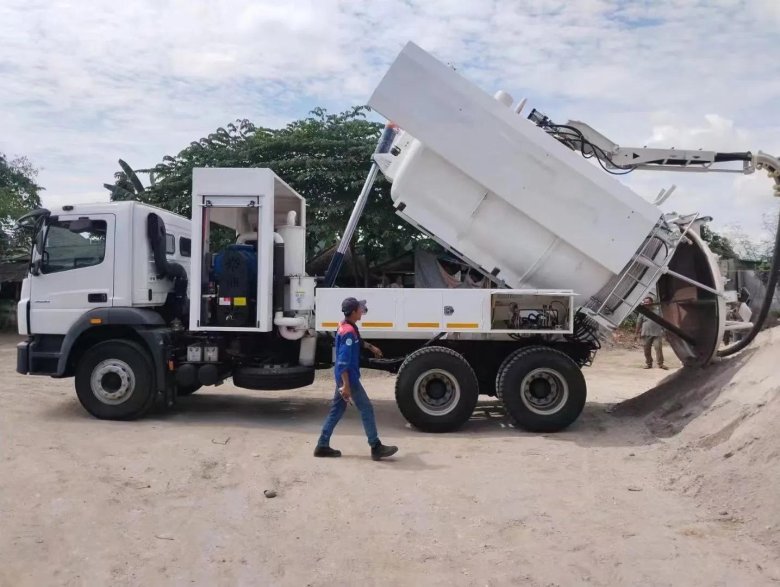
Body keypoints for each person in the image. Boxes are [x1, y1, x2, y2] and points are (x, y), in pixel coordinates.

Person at [314, 297, 398, 461]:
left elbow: (356, 341)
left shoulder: (345, 326)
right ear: (353, 312)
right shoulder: (349, 332)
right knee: (366, 408)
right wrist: (346, 385)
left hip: (343, 377)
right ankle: (376, 446)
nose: (362, 311)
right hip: (348, 378)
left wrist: (370, 346)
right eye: (360, 308)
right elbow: (343, 361)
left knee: (337, 411)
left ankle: (322, 445)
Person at [635, 295, 668, 370]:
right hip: (646, 334)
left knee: (658, 348)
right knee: (646, 350)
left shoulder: (658, 311)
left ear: (652, 303)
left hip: (657, 334)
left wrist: (665, 332)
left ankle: (661, 364)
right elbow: (638, 323)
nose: (646, 304)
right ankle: (649, 364)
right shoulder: (642, 311)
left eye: (648, 302)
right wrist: (636, 333)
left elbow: (662, 322)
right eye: (645, 302)